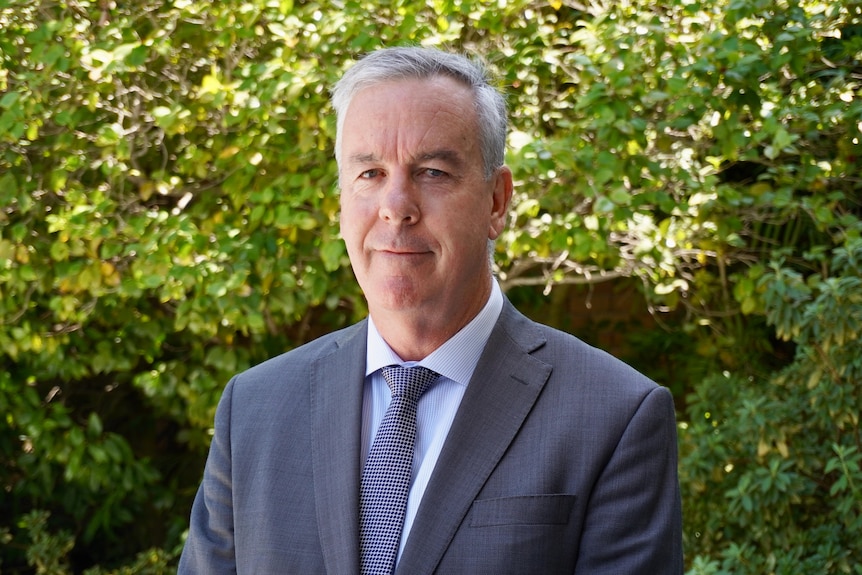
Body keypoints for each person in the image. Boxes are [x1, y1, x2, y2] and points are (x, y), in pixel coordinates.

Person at [178, 46, 683, 574]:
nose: (397, 206)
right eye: (370, 173)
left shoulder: (616, 416)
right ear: (342, 201)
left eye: (433, 172)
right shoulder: (253, 410)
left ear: (496, 200)